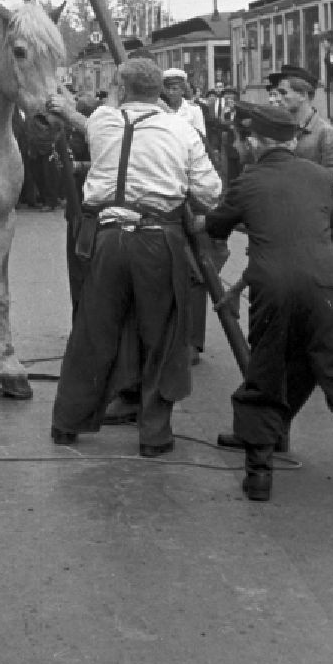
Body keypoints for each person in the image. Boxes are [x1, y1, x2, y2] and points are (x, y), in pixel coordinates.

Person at [195, 100, 333, 547]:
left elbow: (215, 227)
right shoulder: (319, 179)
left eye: (243, 140)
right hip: (331, 291)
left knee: (267, 374)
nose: (240, 146)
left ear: (255, 142)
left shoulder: (247, 181)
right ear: (292, 142)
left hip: (275, 293)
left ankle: (258, 478)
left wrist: (197, 219)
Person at [47, 57, 222, 456]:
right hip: (159, 241)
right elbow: (211, 193)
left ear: (121, 89)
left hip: (107, 240)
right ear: (159, 89)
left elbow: (86, 118)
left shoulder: (103, 121)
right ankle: (154, 434)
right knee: (162, 335)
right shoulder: (181, 129)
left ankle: (67, 423)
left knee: (92, 332)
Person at [275, 64, 333, 172]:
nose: (278, 99)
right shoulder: (280, 130)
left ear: (303, 95)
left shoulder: (327, 135)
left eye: (283, 93)